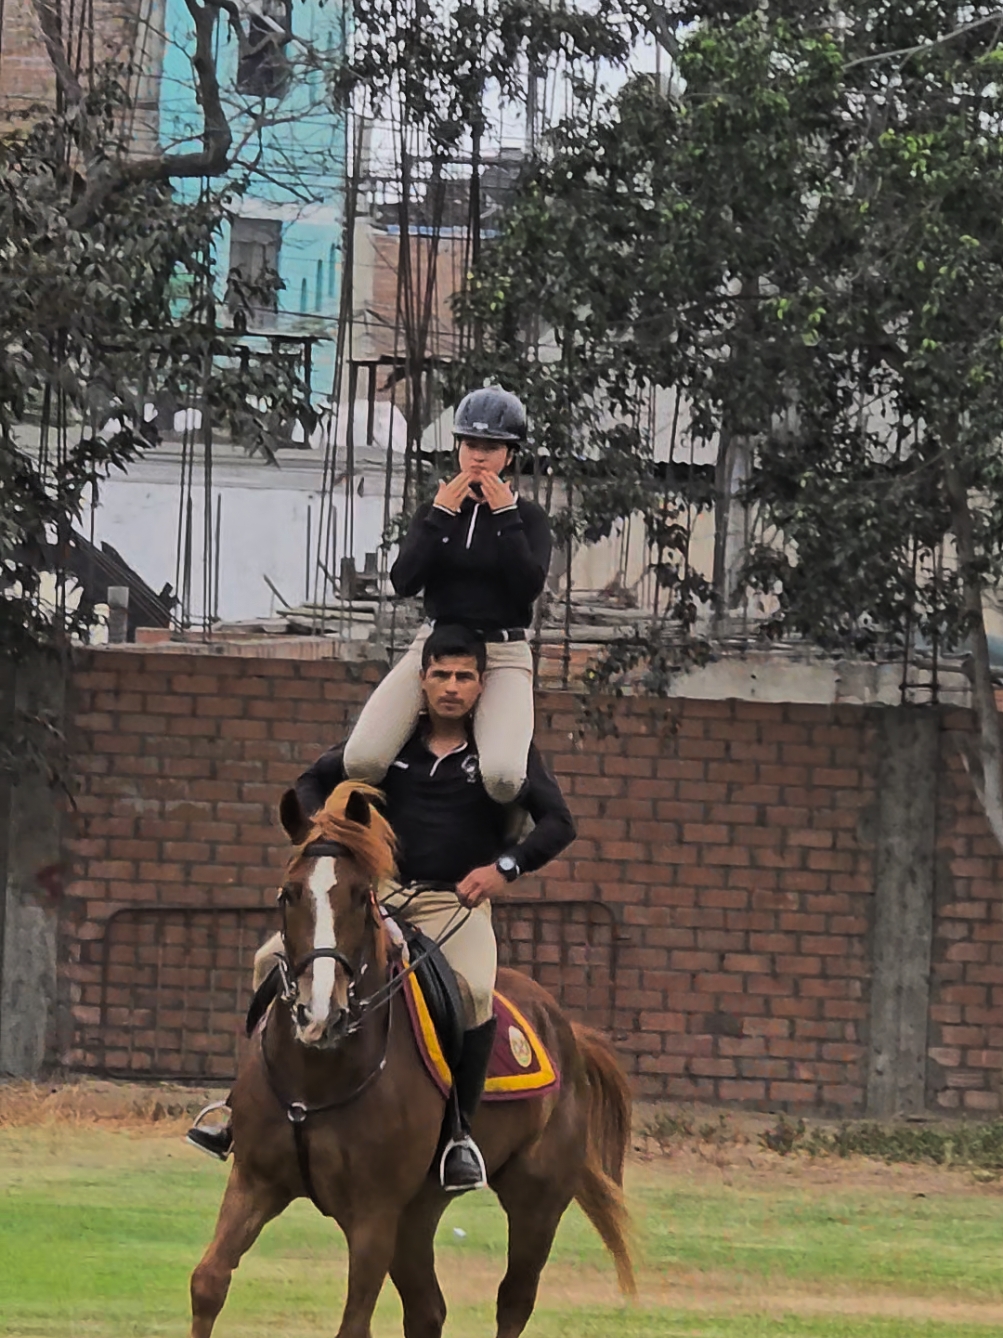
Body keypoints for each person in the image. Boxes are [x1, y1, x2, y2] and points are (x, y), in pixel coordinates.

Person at [187, 624, 576, 1193]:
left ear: (481, 687)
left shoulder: (503, 754)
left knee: (470, 991)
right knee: (270, 961)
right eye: (440, 674)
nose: (450, 687)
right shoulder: (386, 745)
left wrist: (503, 870)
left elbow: (560, 824)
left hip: (455, 905)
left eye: (463, 677)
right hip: (381, 895)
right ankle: (238, 1110)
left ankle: (459, 1137)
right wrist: (331, 833)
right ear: (422, 680)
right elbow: (312, 780)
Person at [342, 386, 552, 806]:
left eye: (491, 447)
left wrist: (505, 517)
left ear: (509, 456)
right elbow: (404, 581)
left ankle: (509, 833)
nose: (478, 457)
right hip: (437, 647)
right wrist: (438, 517)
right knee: (362, 759)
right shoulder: (434, 511)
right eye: (470, 445)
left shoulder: (529, 518)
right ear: (457, 448)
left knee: (504, 777)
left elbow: (526, 588)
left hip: (501, 651)